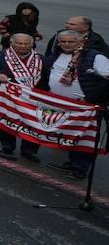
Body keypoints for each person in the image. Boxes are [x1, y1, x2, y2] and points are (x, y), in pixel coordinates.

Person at [38, 30, 109, 180]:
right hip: (59, 104)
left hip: (84, 107)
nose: (66, 44)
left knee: (83, 138)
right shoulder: (56, 55)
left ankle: (80, 169)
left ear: (81, 42)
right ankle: (71, 162)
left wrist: (91, 99)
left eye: (71, 42)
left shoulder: (95, 57)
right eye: (63, 41)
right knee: (69, 135)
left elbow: (107, 79)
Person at [0, 32, 43, 161]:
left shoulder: (41, 59)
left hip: (32, 99)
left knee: (32, 124)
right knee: (7, 121)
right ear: (11, 43)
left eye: (26, 43)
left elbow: (47, 78)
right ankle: (7, 146)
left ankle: (29, 150)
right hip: (9, 98)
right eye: (19, 43)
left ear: (32, 44)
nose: (23, 46)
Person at [43, 15, 108, 60]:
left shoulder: (95, 39)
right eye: (67, 23)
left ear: (85, 27)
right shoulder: (59, 35)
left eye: (72, 24)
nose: (67, 26)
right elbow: (49, 51)